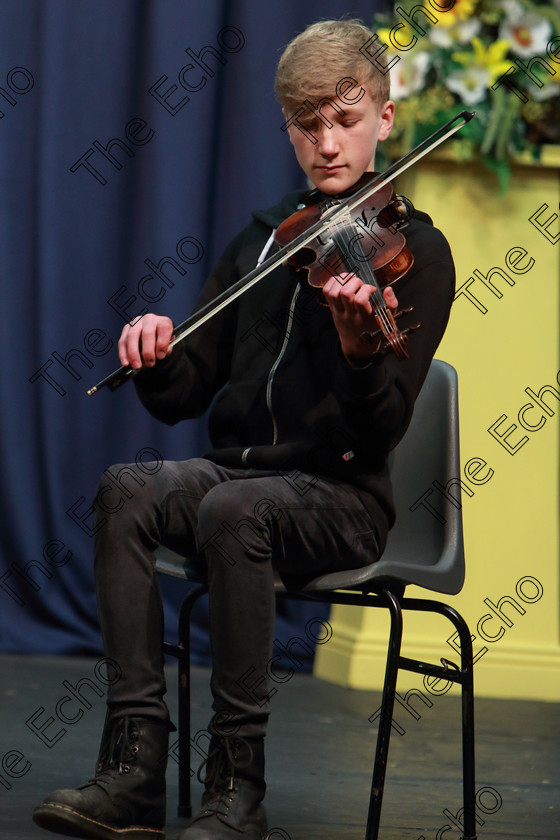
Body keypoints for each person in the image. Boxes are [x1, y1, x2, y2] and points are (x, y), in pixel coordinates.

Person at [33, 17, 455, 840]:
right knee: (127, 490)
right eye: (308, 123)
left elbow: (380, 431)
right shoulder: (265, 242)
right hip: (243, 478)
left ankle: (236, 788)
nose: (328, 143)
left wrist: (361, 348)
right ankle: (134, 769)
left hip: (344, 497)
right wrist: (157, 356)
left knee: (235, 511)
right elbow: (188, 392)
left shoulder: (417, 253)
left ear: (385, 121)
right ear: (289, 128)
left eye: (346, 117)